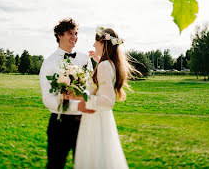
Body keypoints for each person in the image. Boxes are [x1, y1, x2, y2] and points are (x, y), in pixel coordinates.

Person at [65, 27, 137, 169]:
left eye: (95, 42)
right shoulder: (109, 64)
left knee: (94, 159)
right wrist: (97, 60)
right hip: (101, 119)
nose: (93, 45)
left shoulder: (104, 66)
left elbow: (107, 102)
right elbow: (102, 86)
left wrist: (79, 97)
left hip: (95, 119)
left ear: (103, 44)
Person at [39, 18, 93, 169]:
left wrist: (84, 102)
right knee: (55, 164)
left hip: (84, 123)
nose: (74, 37)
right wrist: (65, 101)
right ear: (59, 35)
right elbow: (47, 98)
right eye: (70, 33)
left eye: (76, 34)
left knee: (84, 165)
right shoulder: (49, 62)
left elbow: (90, 88)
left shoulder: (84, 59)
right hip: (59, 123)